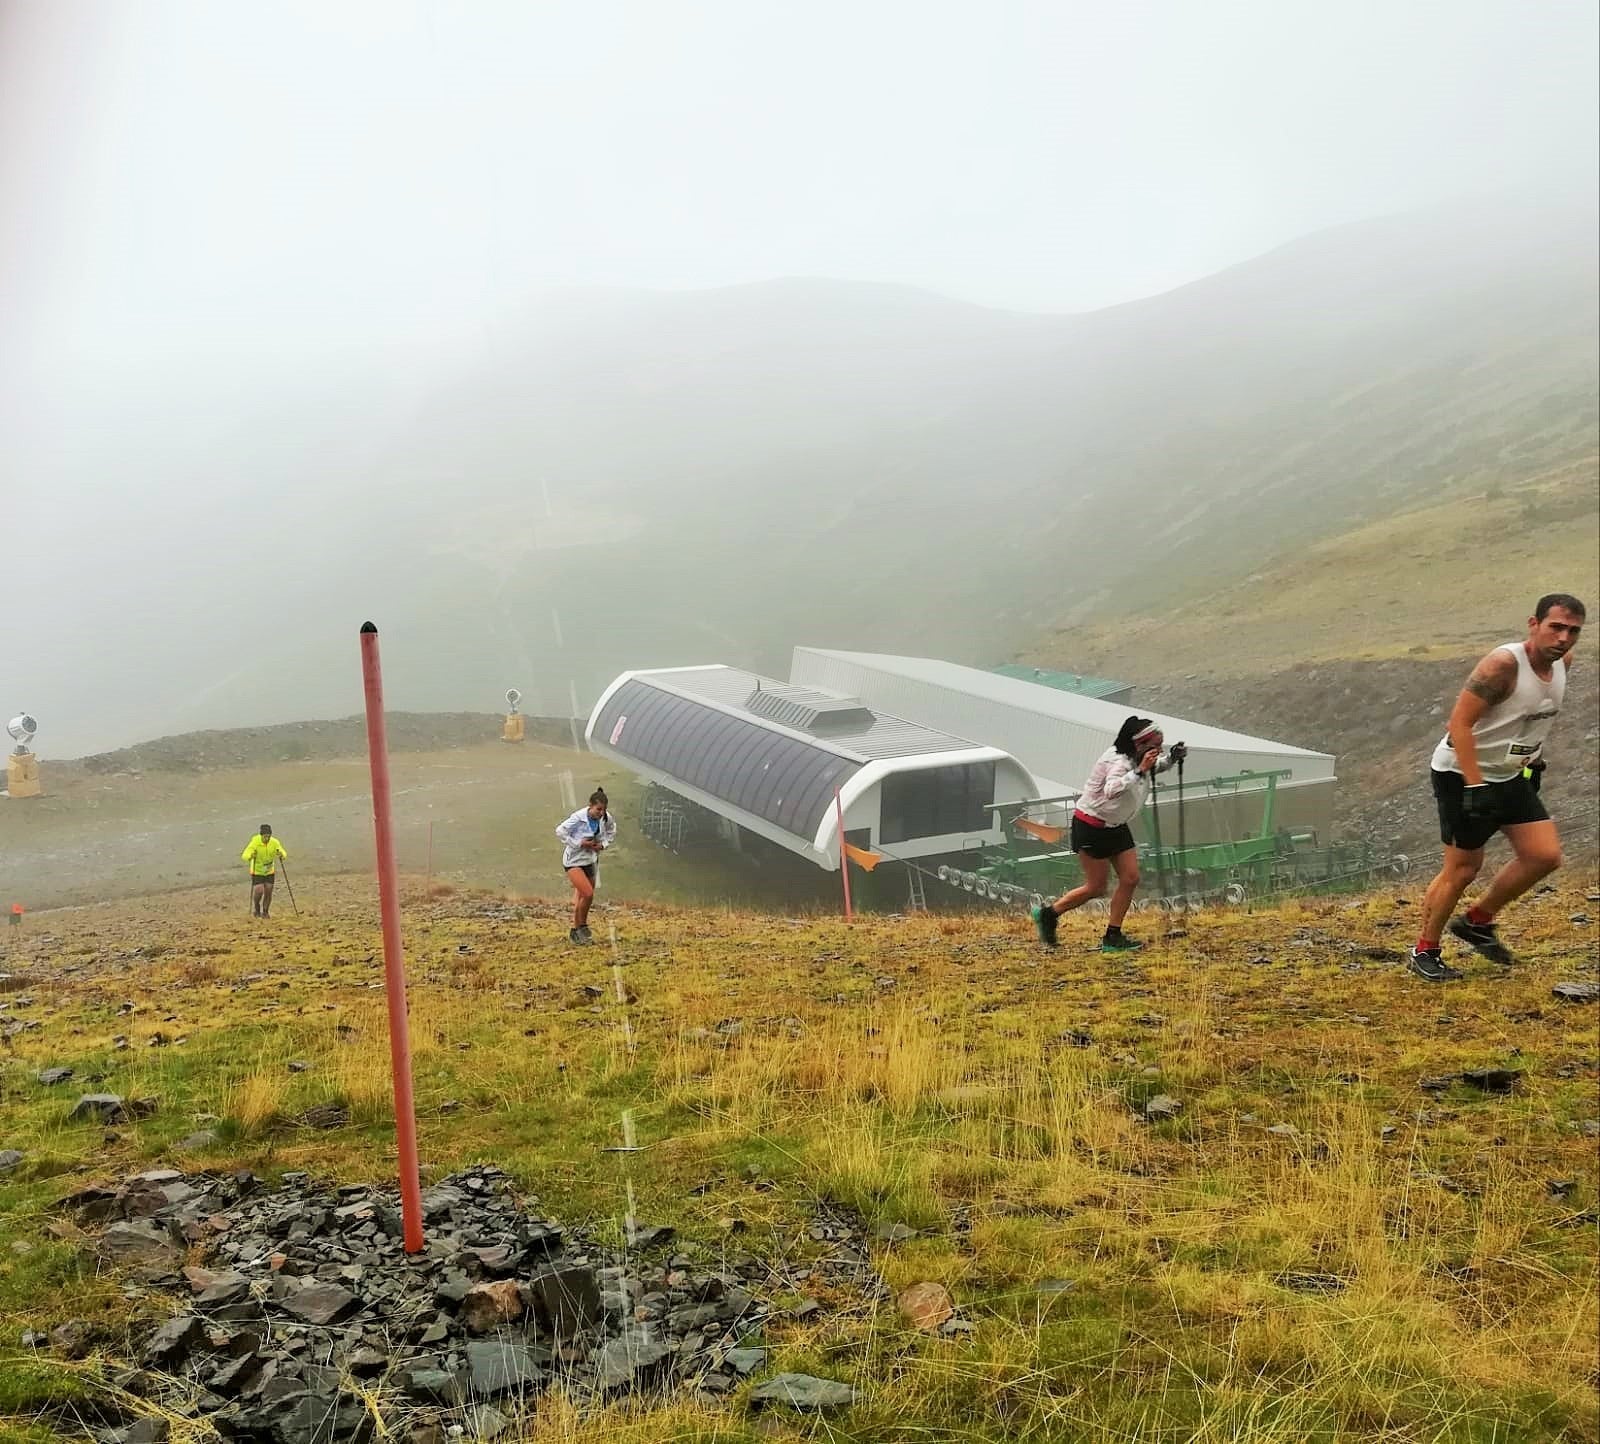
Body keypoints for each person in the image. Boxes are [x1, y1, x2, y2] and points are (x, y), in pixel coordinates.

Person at [1409, 594, 1584, 981]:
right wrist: (1475, 786)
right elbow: (1458, 725)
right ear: (1534, 624)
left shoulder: (1563, 665)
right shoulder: (1503, 665)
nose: (1563, 638)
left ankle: (1477, 922)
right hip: (1461, 774)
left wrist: (1532, 758)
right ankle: (1425, 950)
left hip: (1509, 774)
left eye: (1573, 631)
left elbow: (1526, 717)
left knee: (1544, 855)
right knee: (1464, 867)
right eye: (1556, 627)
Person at [1031, 717, 1183, 952]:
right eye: (1155, 745)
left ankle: (1113, 936)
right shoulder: (1119, 761)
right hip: (1092, 826)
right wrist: (1141, 769)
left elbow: (1151, 767)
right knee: (1096, 887)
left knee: (1131, 878)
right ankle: (1048, 914)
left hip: (1116, 825)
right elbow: (1111, 789)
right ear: (1140, 744)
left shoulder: (1136, 756)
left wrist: (1171, 758)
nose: (1158, 749)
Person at [556, 788, 617, 945]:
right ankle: (579, 929)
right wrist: (579, 843)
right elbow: (560, 831)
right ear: (590, 806)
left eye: (604, 809)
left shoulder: (606, 818)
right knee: (587, 894)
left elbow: (612, 830)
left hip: (590, 860)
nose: (601, 813)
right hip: (574, 861)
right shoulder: (578, 817)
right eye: (598, 809)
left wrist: (602, 845)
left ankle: (579, 929)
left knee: (586, 897)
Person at [241, 823, 287, 919]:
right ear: (261, 835)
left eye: (268, 837)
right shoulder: (255, 842)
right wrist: (250, 856)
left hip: (269, 870)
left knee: (269, 890)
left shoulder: (274, 842)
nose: (267, 839)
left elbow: (283, 852)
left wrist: (281, 854)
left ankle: (265, 911)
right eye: (265, 837)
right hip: (257, 871)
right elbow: (245, 855)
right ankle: (257, 908)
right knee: (259, 890)